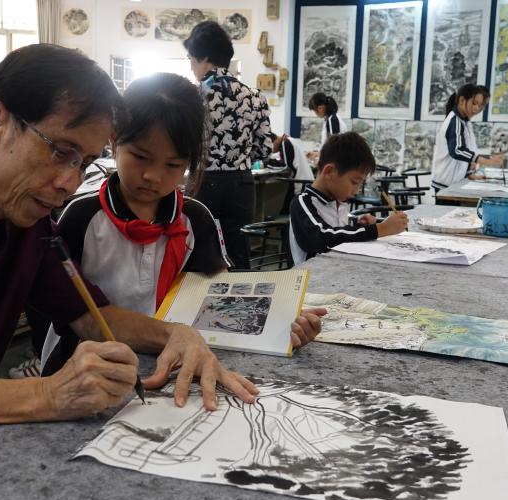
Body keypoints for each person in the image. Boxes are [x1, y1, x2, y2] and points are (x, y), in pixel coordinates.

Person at [0, 44, 258, 475]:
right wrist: (46, 394)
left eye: (85, 163)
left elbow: (91, 315)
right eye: (61, 152)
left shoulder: (27, 219)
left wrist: (177, 334)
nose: (69, 183)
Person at [37, 72, 324, 375]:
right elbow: (62, 311)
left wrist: (281, 324)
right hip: (84, 365)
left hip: (170, 361)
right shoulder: (81, 218)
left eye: (173, 164)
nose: (153, 176)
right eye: (140, 156)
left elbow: (222, 296)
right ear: (114, 139)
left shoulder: (195, 220)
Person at [184, 20, 272, 269]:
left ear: (203, 57)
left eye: (191, 59)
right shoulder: (254, 97)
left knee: (198, 254)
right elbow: (264, 149)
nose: (191, 67)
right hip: (241, 185)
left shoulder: (193, 97)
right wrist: (239, 156)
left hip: (203, 182)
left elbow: (183, 144)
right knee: (239, 254)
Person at [289, 132, 408, 264]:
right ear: (329, 172)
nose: (356, 191)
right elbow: (321, 238)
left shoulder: (337, 203)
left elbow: (338, 232)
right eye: (354, 182)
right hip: (311, 274)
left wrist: (358, 225)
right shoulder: (302, 203)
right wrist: (380, 229)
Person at [431, 84, 504, 193]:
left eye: (480, 105)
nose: (477, 108)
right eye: (474, 103)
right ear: (461, 101)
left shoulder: (464, 122)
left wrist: (469, 174)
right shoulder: (455, 121)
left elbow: (464, 156)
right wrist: (485, 161)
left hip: (454, 182)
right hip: (446, 184)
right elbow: (457, 150)